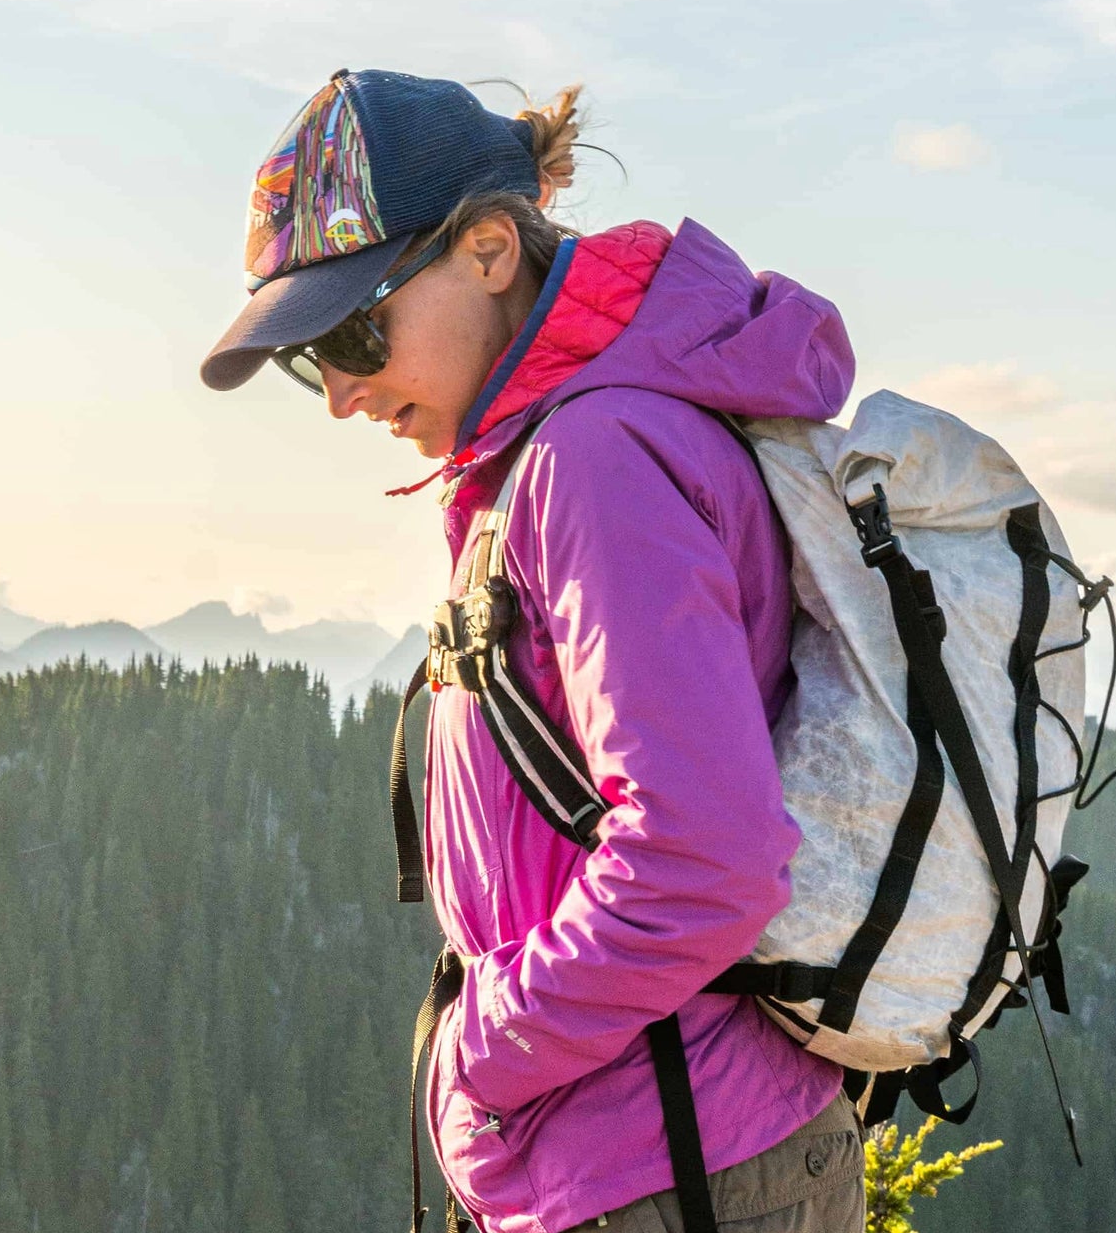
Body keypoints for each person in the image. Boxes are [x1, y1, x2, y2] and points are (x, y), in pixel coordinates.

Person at [200, 67, 867, 1233]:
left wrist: (482, 1052)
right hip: (644, 1148)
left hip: (669, 1162)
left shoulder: (595, 460)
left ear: (493, 251)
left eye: (357, 329)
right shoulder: (560, 450)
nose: (342, 395)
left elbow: (702, 855)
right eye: (312, 359)